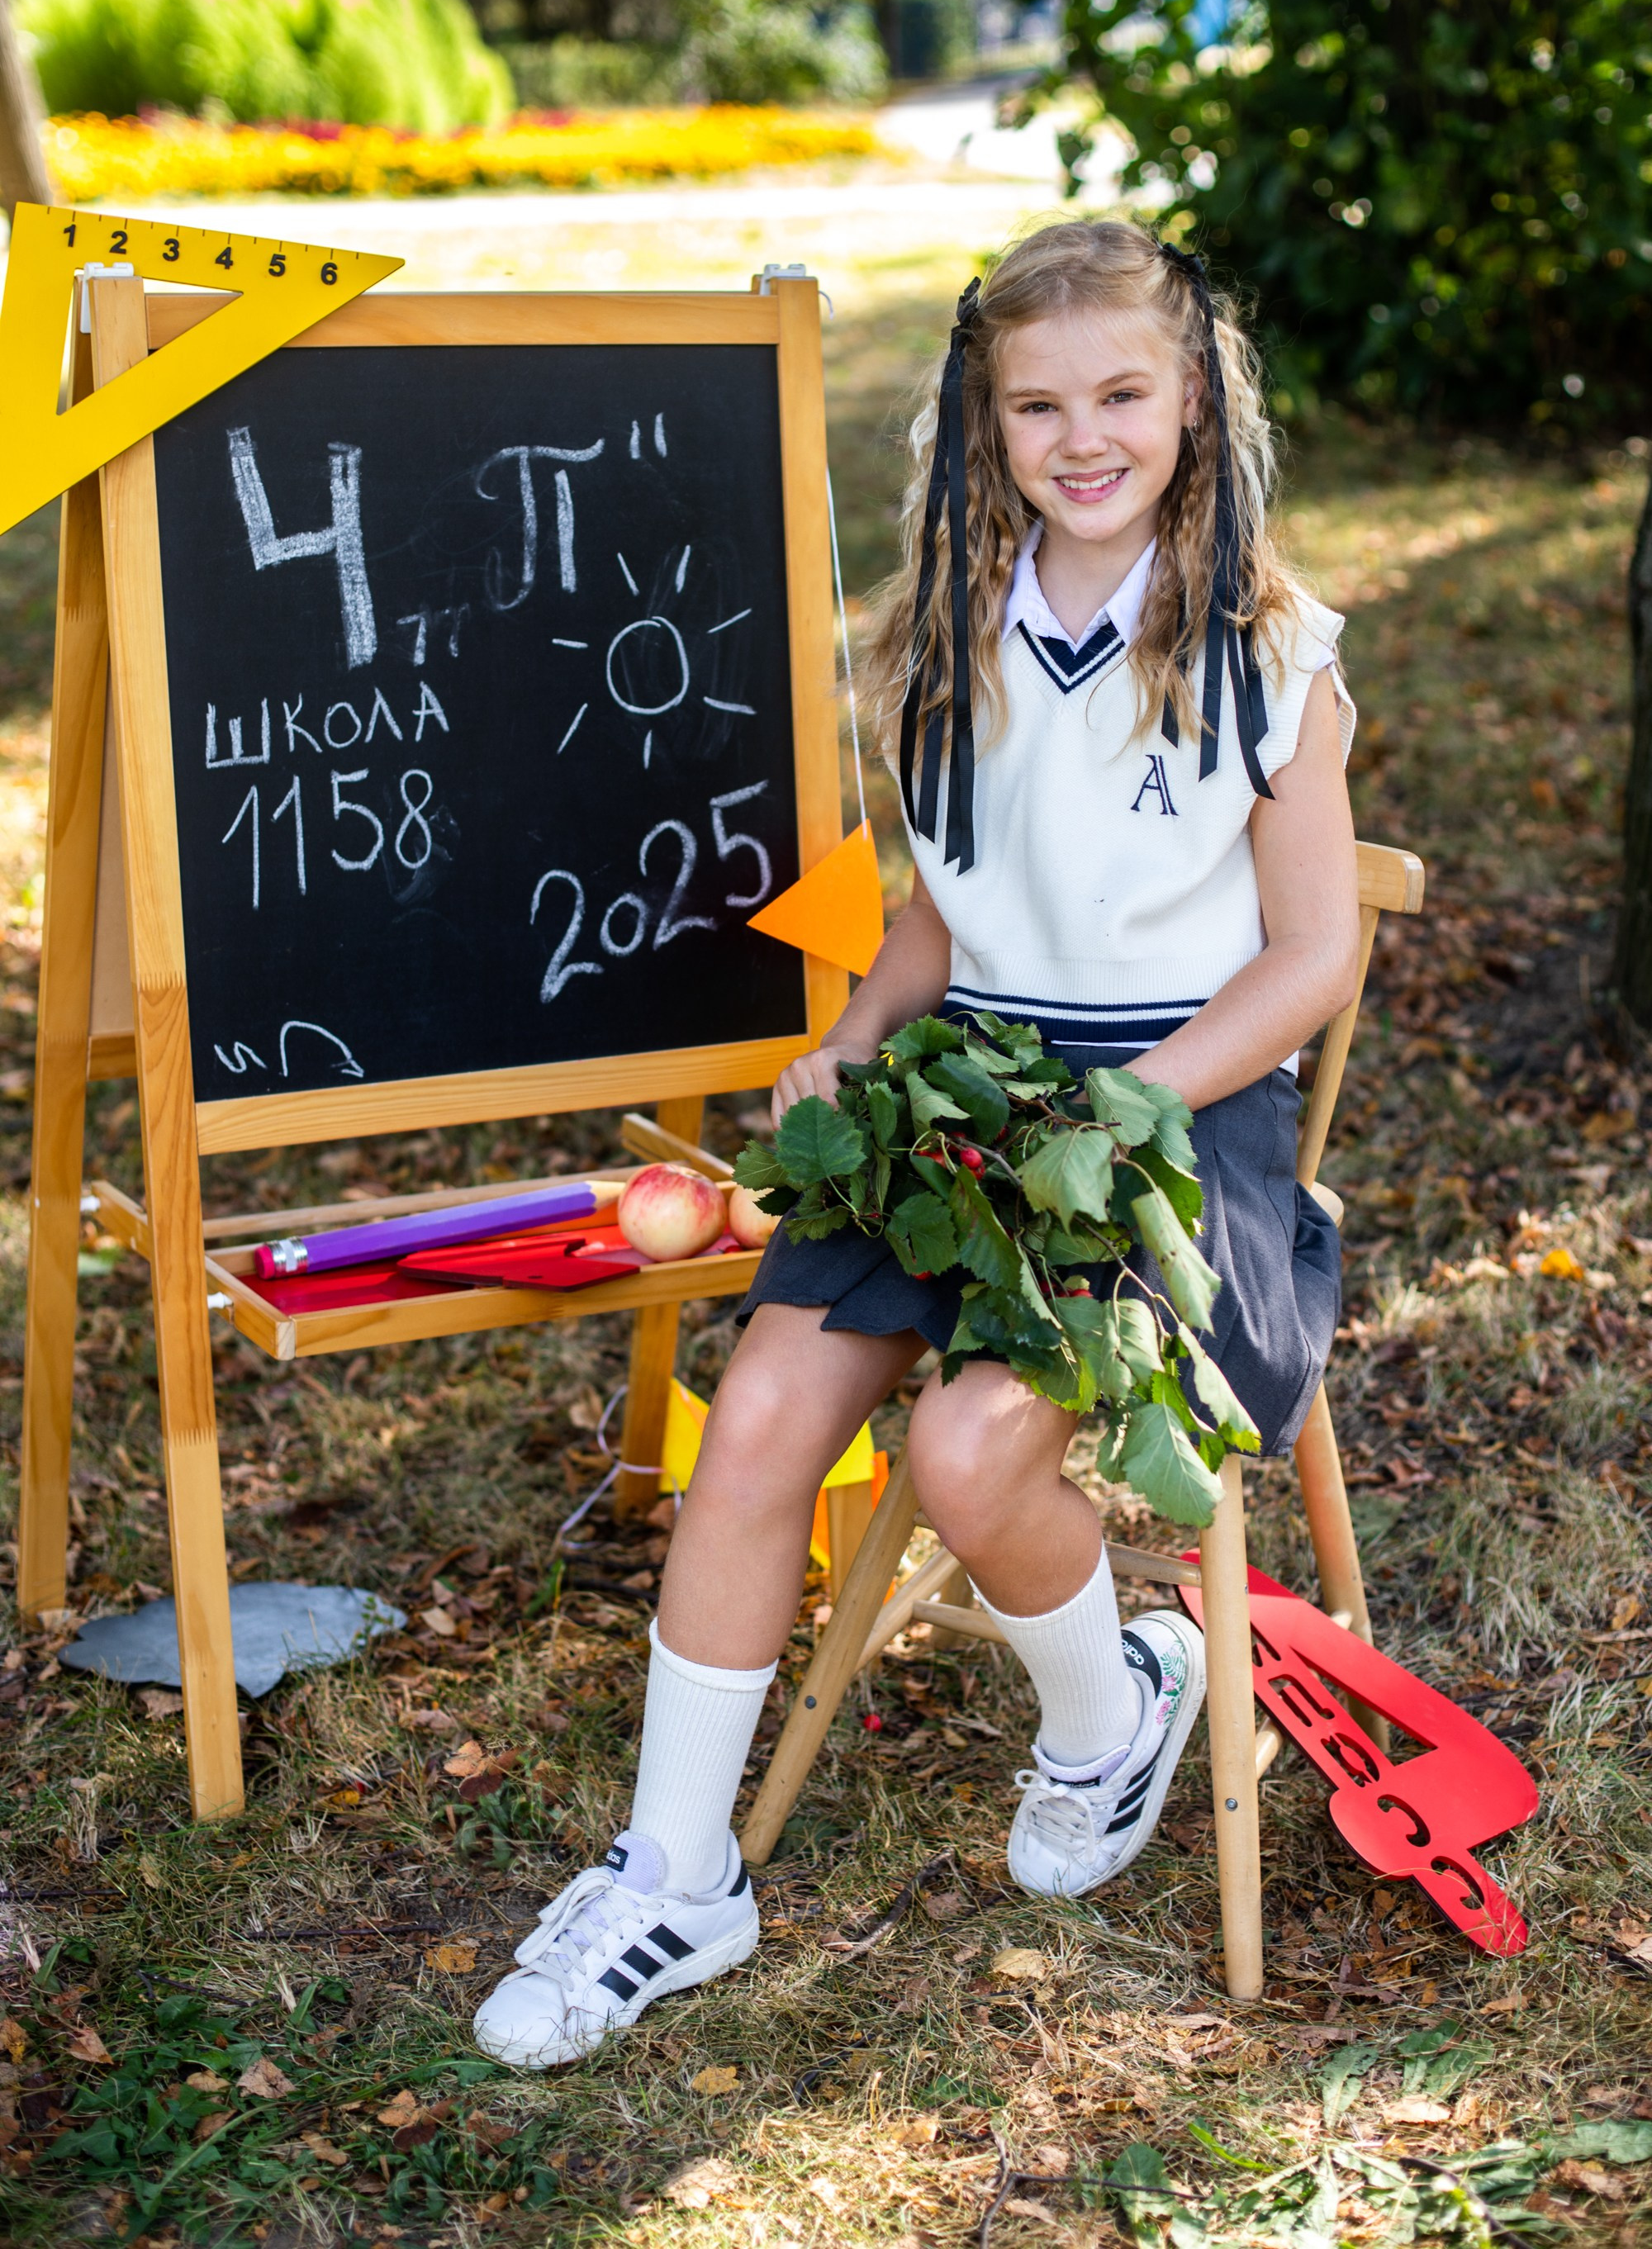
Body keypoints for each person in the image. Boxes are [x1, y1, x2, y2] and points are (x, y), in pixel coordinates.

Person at [472, 218, 1360, 2070]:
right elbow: (951, 914)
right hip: (968, 1089)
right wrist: (856, 1033)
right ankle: (671, 1873)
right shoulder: (942, 637)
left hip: (1173, 1116)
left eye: (1121, 392)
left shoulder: (1273, 652)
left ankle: (1111, 1713)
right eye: (1036, 404)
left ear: (1192, 398)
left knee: (966, 1446)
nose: (1081, 435)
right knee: (770, 1416)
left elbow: (1312, 954)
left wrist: (1139, 1099)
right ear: (985, 419)